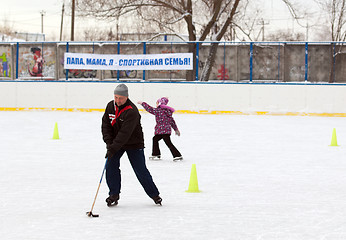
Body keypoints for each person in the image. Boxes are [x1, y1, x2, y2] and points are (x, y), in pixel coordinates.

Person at [101, 84, 162, 206]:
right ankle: (114, 194)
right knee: (111, 165)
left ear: (127, 97)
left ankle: (154, 195)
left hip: (134, 143)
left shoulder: (132, 111)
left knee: (140, 170)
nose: (118, 100)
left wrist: (113, 147)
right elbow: (105, 125)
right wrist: (109, 144)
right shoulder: (110, 106)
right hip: (116, 143)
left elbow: (125, 134)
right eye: (116, 97)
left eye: (121, 98)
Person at [138, 97, 183, 161]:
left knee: (168, 142)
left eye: (157, 103)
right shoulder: (168, 112)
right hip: (165, 131)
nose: (156, 104)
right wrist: (176, 129)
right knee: (155, 139)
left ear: (160, 103)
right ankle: (156, 154)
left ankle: (177, 155)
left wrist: (142, 103)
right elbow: (172, 121)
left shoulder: (158, 110)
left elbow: (149, 109)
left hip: (162, 131)